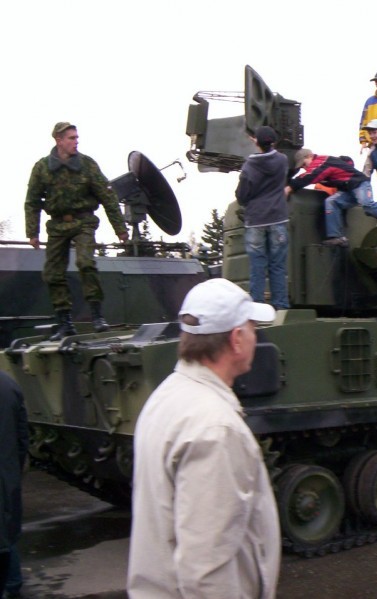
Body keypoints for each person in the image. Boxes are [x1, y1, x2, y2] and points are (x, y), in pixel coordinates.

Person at [128, 279, 281, 598]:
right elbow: (206, 572)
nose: (257, 335)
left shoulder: (166, 397)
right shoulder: (216, 428)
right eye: (252, 327)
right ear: (237, 339)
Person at [24, 122, 130, 340]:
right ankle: (65, 323)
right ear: (59, 140)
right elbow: (32, 201)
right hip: (57, 225)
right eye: (71, 138)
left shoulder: (87, 164)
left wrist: (120, 230)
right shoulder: (43, 167)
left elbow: (107, 196)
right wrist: (32, 233)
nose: (76, 141)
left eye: (76, 138)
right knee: (52, 273)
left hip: (84, 222)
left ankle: (97, 316)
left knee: (85, 263)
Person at [286, 148, 377, 246]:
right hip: (349, 190)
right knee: (331, 202)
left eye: (304, 164)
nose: (304, 167)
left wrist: (289, 187)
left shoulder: (321, 161)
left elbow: (311, 176)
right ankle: (336, 237)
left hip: (359, 184)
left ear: (309, 156)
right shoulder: (319, 164)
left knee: (367, 204)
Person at [235, 125, 290, 309]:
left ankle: (257, 308)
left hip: (256, 220)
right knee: (278, 266)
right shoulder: (282, 160)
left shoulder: (249, 166)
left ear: (256, 142)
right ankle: (281, 306)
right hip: (278, 218)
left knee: (257, 266)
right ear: (273, 142)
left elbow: (242, 196)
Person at [0, 372, 28, 597]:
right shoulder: (9, 383)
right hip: (6, 473)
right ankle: (13, 583)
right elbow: (22, 436)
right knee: (7, 533)